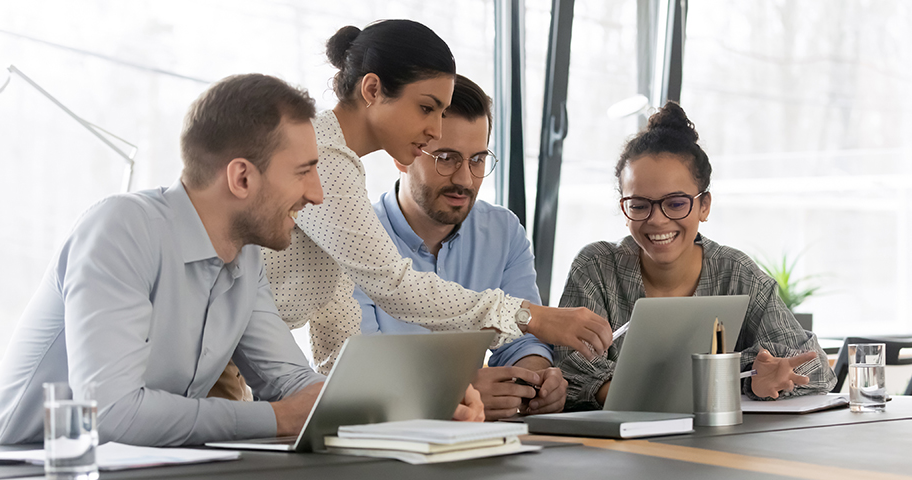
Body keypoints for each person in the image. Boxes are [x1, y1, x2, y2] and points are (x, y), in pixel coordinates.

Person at [0, 74, 330, 446]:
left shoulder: (246, 256)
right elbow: (111, 413)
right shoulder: (121, 230)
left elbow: (293, 384)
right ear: (241, 178)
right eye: (303, 172)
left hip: (136, 467)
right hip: (24, 468)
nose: (317, 194)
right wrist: (276, 418)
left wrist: (358, 407)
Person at [262, 20, 612, 374]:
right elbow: (394, 285)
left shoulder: (341, 166)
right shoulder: (324, 159)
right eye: (427, 108)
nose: (435, 130)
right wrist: (529, 316)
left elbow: (337, 326)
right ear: (372, 90)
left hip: (243, 360)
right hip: (218, 356)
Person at [554, 102, 837, 411]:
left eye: (676, 204)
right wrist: (729, 375)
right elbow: (570, 370)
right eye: (639, 205)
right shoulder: (596, 267)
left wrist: (758, 377)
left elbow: (816, 369)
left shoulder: (736, 272)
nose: (658, 220)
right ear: (625, 209)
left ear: (704, 206)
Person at [351, 75, 568, 420]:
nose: (465, 179)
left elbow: (521, 339)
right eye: (447, 158)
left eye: (478, 160)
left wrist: (534, 381)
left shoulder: (504, 231)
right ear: (403, 156)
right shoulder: (356, 237)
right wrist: (454, 391)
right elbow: (358, 372)